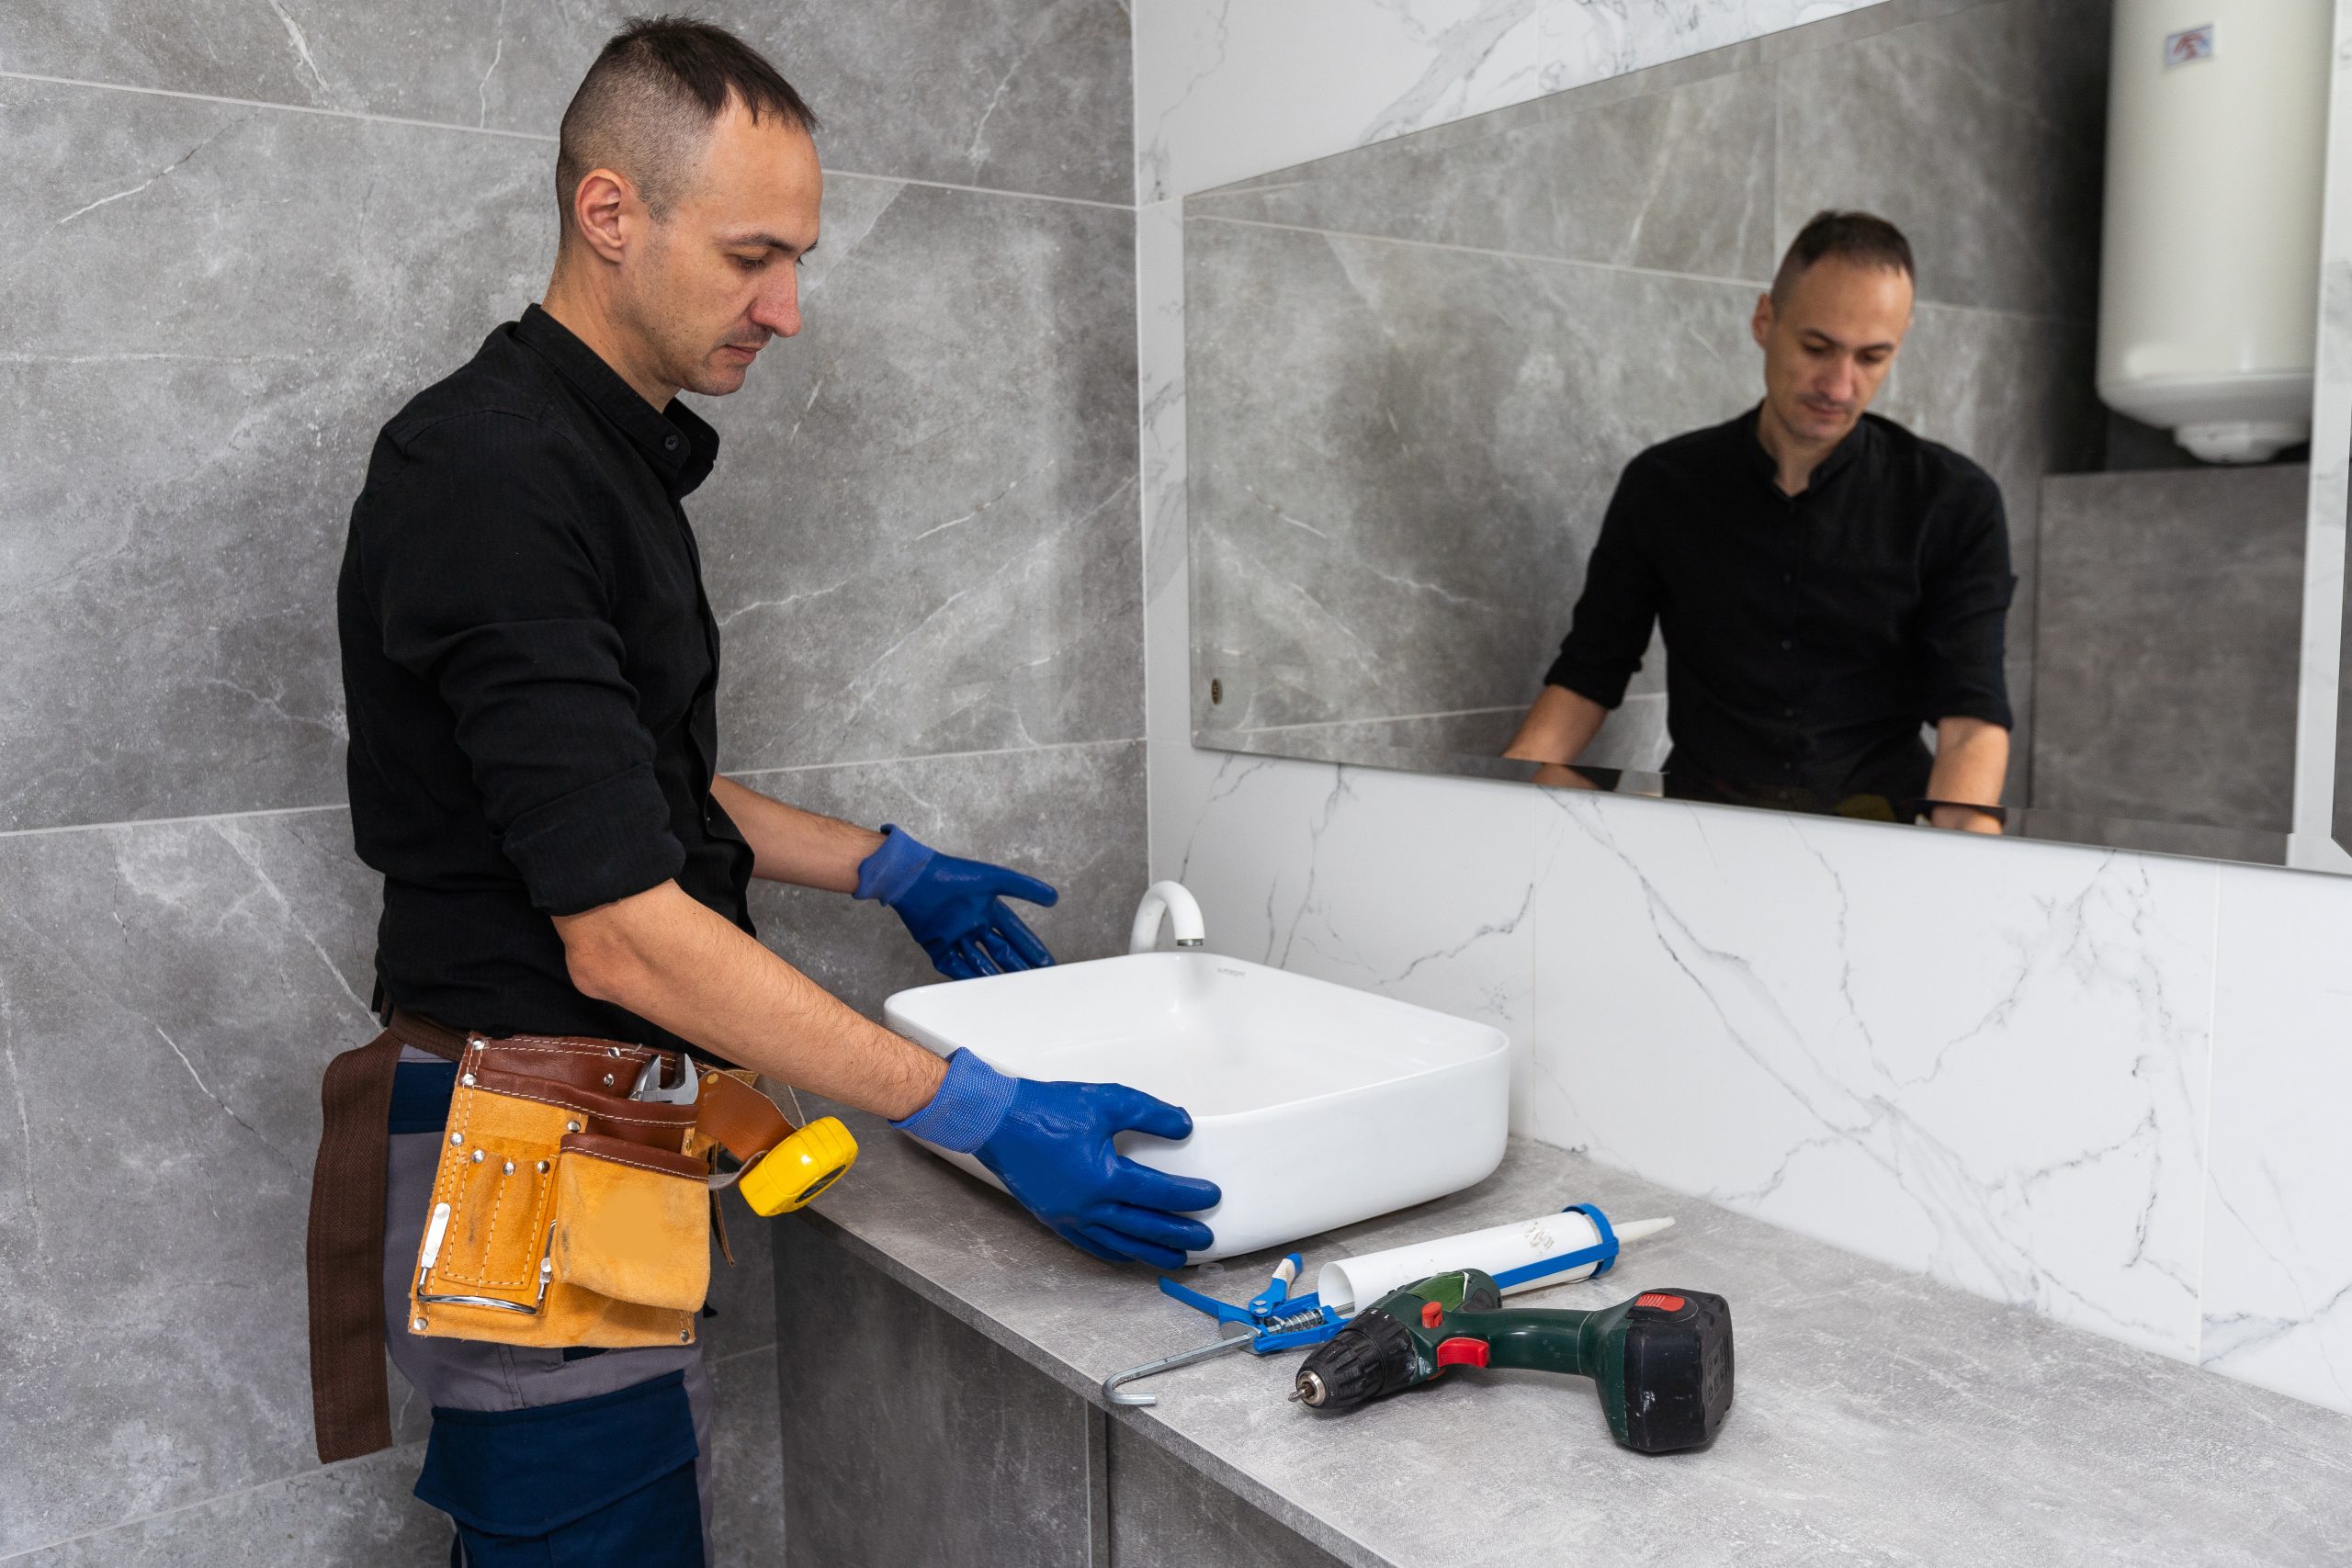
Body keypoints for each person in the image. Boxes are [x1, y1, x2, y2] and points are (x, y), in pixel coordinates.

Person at [303, 20, 1217, 1564]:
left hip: (586, 1141)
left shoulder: (591, 459)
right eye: (750, 256)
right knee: (594, 1535)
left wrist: (885, 867)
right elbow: (618, 931)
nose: (788, 308)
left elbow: (620, 782)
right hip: (531, 1153)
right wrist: (983, 1109)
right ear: (610, 215)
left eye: (796, 256)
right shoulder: (496, 471)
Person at [1502, 210, 2014, 832]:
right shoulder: (1664, 486)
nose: (1840, 383)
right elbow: (1588, 674)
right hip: (1702, 831)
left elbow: (1971, 723)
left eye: (1872, 357)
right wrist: (1496, 801)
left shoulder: (1954, 501)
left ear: (1899, 344)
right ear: (1765, 321)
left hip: (1883, 839)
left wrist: (1964, 867)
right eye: (1817, 347)